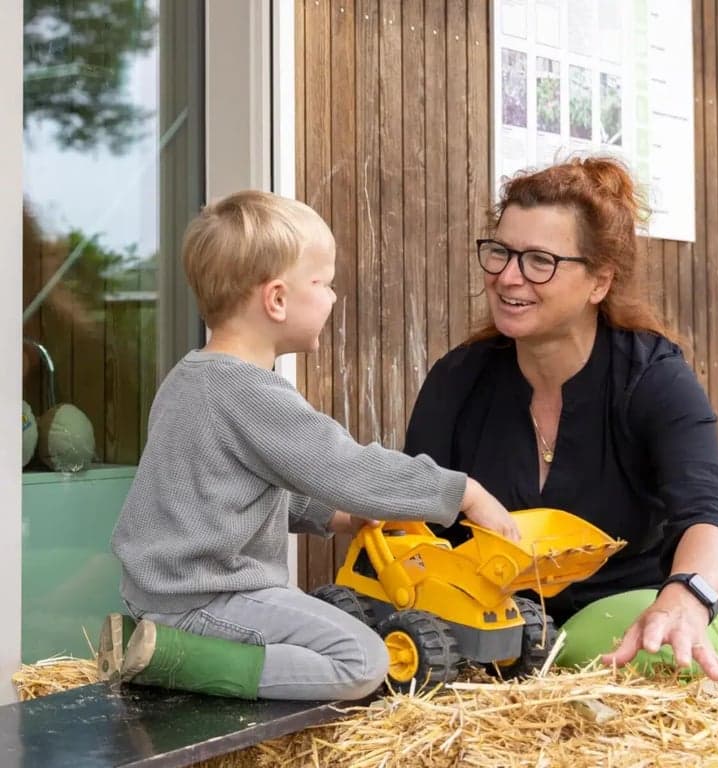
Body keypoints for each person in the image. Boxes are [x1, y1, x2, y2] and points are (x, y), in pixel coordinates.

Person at [102, 190, 519, 702]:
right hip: (209, 598)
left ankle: (155, 641)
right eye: (323, 283)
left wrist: (336, 517)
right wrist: (462, 493)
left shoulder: (192, 377)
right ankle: (180, 661)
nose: (333, 297)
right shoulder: (250, 390)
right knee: (364, 660)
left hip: (165, 592)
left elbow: (234, 487)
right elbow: (347, 468)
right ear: (276, 299)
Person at [403, 156, 718, 684]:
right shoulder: (459, 379)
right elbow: (414, 519)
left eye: (540, 260)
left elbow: (711, 503)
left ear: (598, 282)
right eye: (500, 252)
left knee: (619, 648)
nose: (507, 276)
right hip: (503, 628)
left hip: (643, 610)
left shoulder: (652, 377)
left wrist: (688, 596)